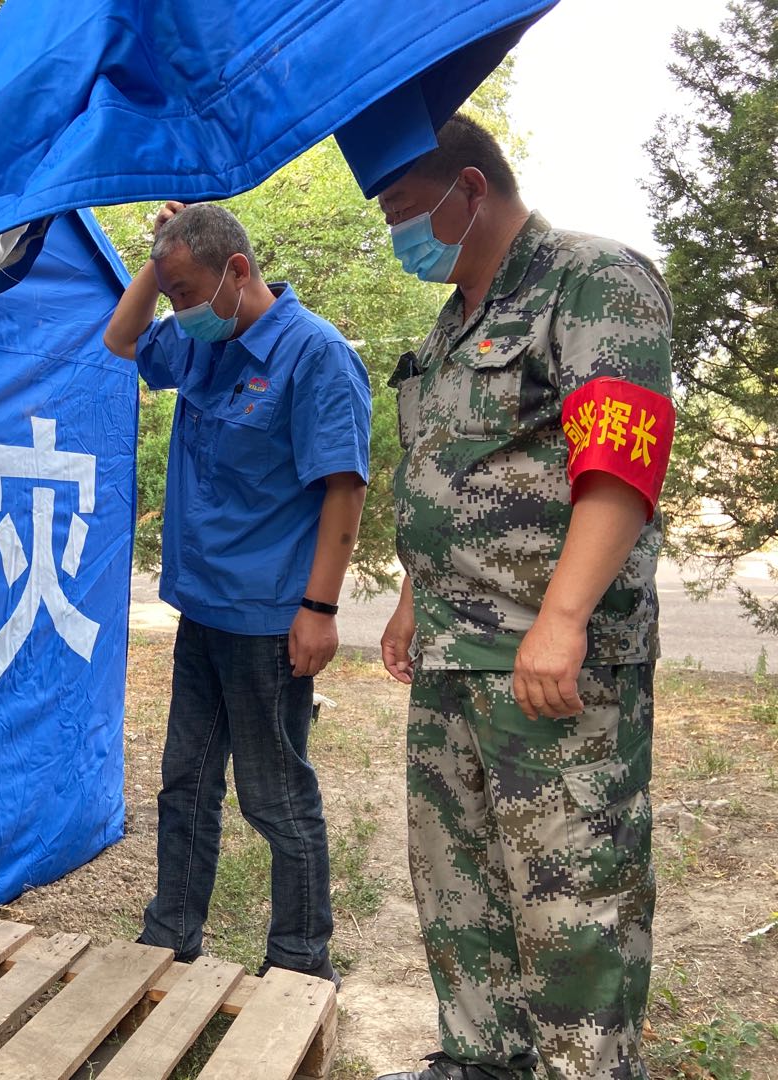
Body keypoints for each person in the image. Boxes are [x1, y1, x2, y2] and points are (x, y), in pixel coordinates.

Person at [373, 115, 674, 1080]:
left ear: (470, 189)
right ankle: (483, 1061)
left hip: (550, 661)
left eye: (404, 210)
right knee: (459, 884)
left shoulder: (591, 279)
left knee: (573, 897)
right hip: (454, 652)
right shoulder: (454, 320)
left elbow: (620, 461)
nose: (396, 233)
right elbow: (452, 473)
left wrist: (564, 618)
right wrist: (415, 594)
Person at [104, 202, 371, 985]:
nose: (178, 309)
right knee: (185, 782)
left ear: (239, 271)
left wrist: (319, 610)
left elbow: (344, 488)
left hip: (269, 619)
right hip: (204, 609)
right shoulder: (200, 344)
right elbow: (121, 337)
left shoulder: (314, 354)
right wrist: (159, 259)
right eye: (171, 293)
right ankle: (171, 936)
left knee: (274, 795)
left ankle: (299, 962)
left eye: (186, 292)